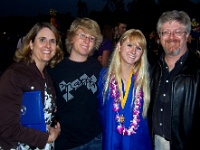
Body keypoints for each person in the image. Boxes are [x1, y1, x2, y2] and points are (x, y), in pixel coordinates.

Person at [0, 22, 64, 150]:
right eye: (42, 40)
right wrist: (47, 138)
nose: (48, 45)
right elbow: (7, 128)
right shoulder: (15, 75)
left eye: (52, 41)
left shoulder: (46, 76)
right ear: (30, 44)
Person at [47, 17, 103, 150]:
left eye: (91, 38)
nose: (87, 41)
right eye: (82, 35)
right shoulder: (55, 69)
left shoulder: (96, 66)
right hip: (67, 142)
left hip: (96, 138)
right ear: (71, 37)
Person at [148, 10, 200, 150]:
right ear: (159, 36)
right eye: (165, 32)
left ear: (187, 34)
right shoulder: (151, 69)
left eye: (178, 31)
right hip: (154, 143)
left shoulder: (197, 70)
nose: (171, 37)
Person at [97, 29, 153, 150]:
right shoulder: (104, 77)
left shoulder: (144, 80)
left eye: (139, 48)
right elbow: (101, 111)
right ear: (119, 46)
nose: (133, 51)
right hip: (111, 140)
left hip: (137, 142)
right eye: (129, 45)